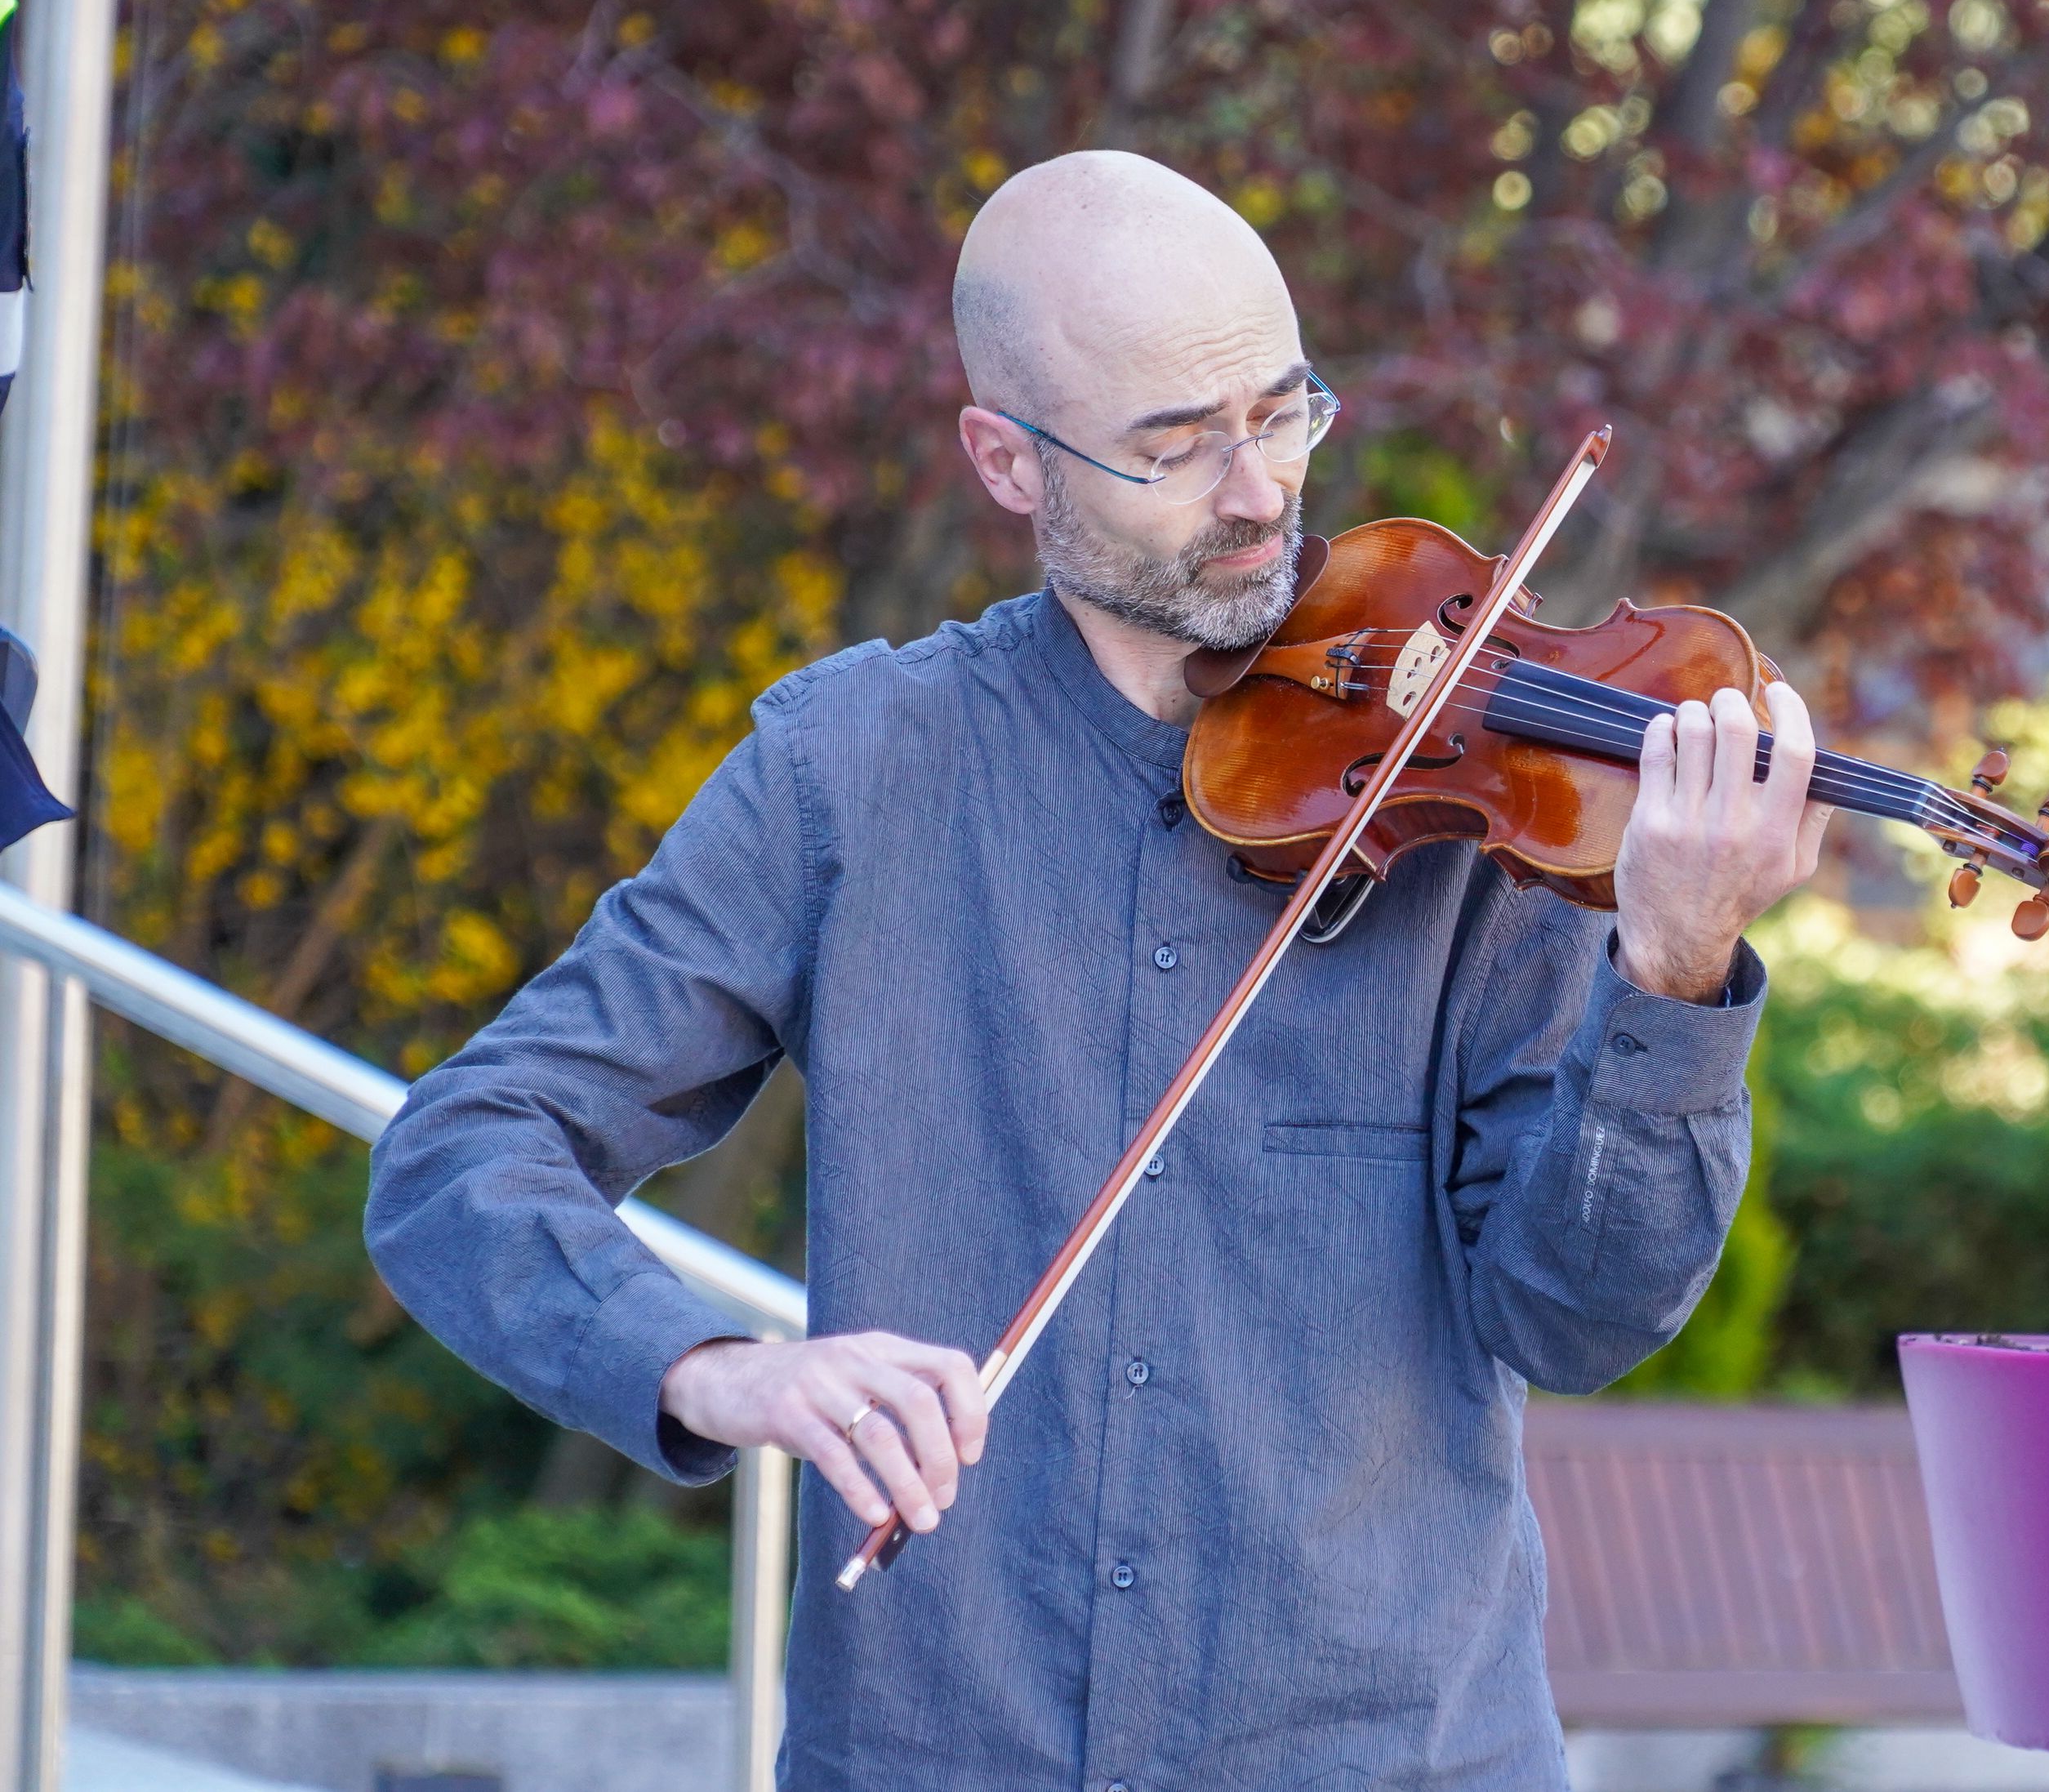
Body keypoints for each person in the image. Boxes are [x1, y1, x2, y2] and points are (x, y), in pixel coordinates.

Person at [366, 149, 1831, 1790]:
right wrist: (715, 1368)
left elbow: (1578, 1317)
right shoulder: (846, 771)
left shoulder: (1465, 793)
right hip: (941, 1746)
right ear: (1008, 459)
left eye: (1282, 413)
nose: (1263, 490)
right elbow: (464, 1157)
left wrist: (1678, 971)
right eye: (1174, 446)